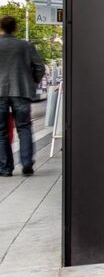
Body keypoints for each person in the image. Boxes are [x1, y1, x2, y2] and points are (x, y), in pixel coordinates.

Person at [0, 15, 45, 176]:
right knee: (24, 127)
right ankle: (26, 163)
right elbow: (40, 67)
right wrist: (32, 82)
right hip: (22, 91)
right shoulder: (26, 46)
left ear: (1, 28)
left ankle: (5, 168)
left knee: (1, 131)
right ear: (15, 28)